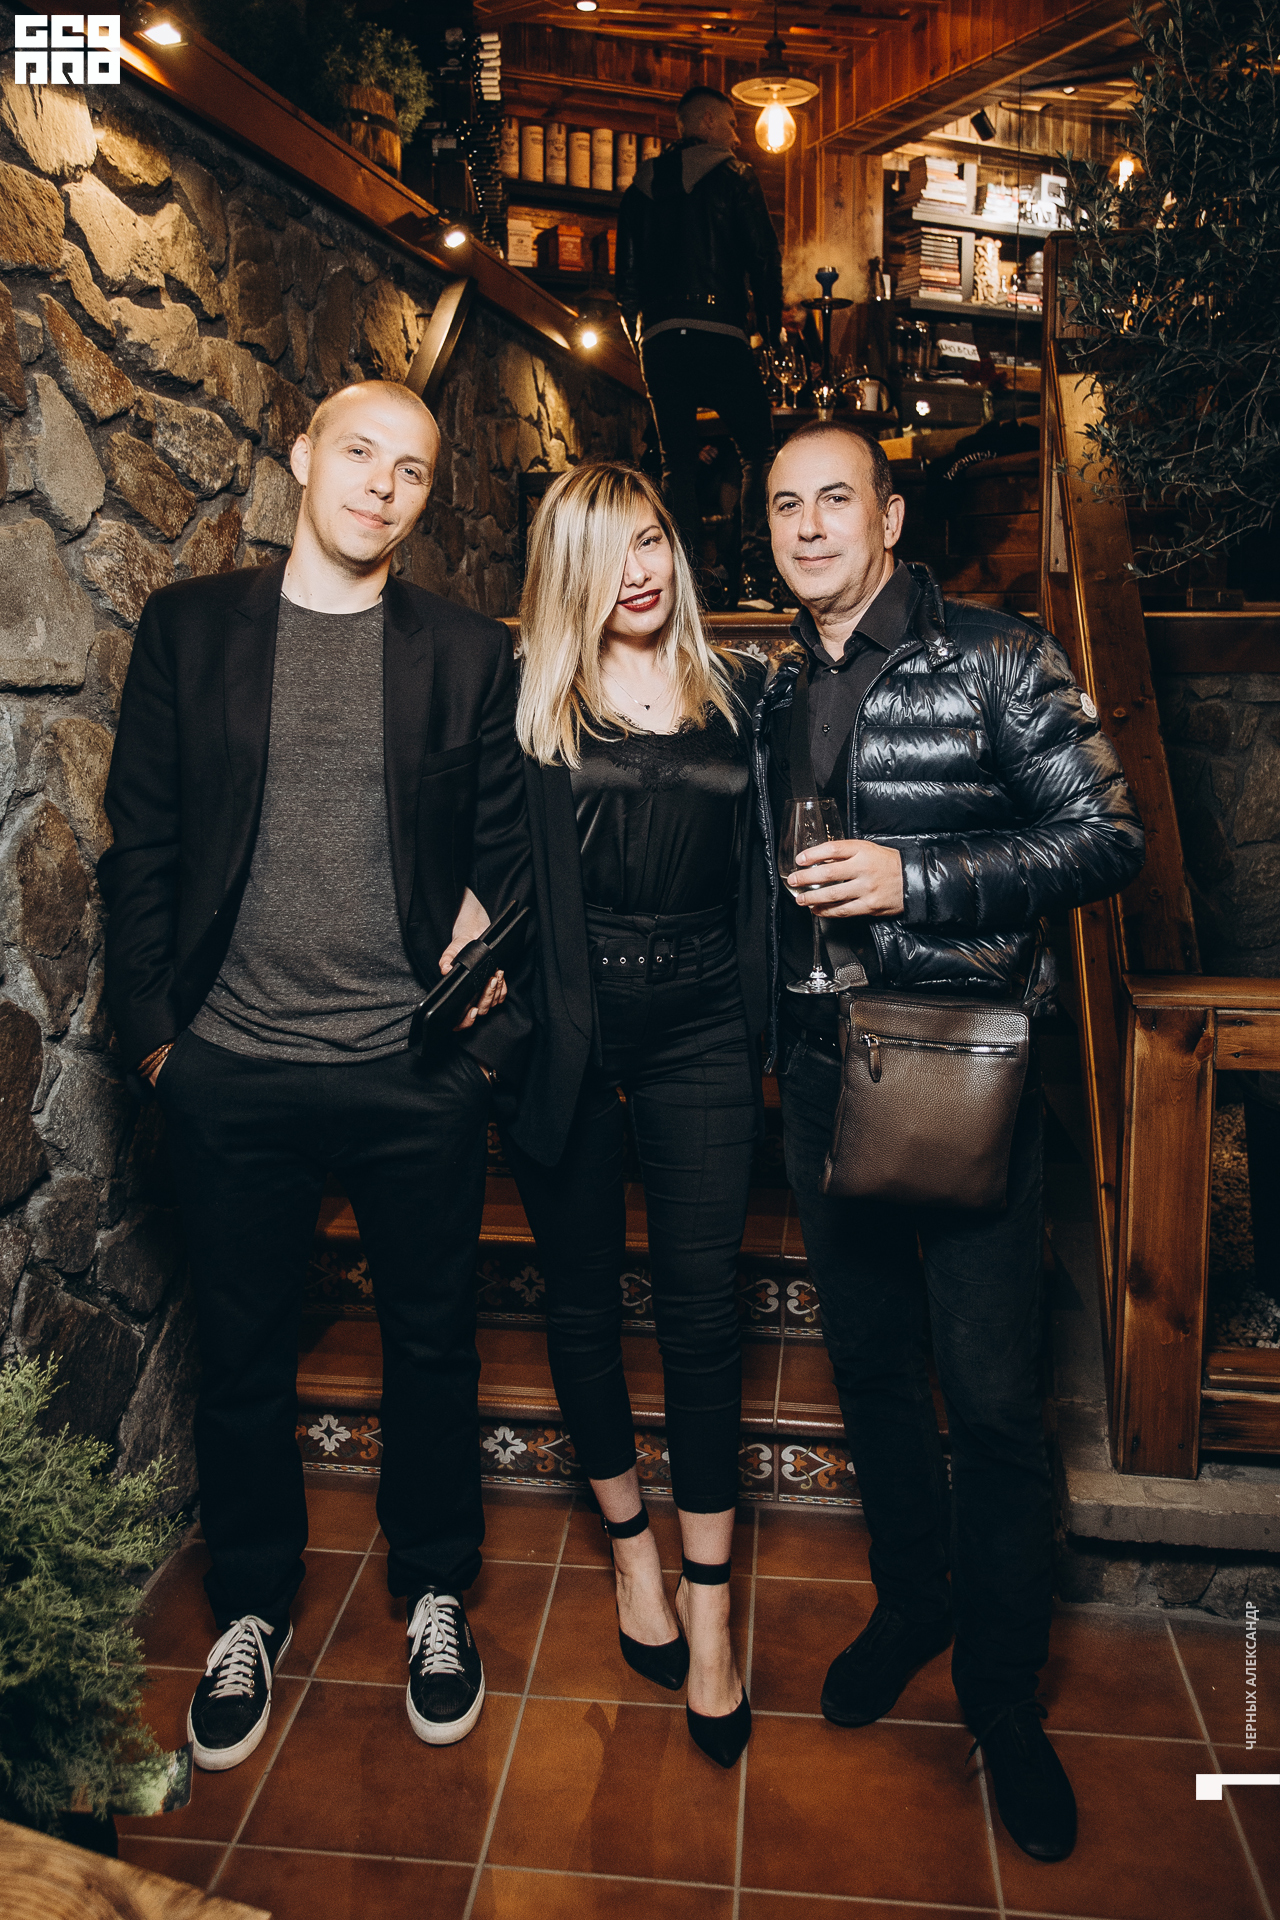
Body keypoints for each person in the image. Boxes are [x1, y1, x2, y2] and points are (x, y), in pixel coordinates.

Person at [100, 381, 532, 1769]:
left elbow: (513, 857)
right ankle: (248, 1606)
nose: (382, 487)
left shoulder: (468, 653)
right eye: (360, 453)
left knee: (432, 1346)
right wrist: (160, 1046)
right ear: (301, 456)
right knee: (241, 1357)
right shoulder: (190, 630)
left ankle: (435, 1590)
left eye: (412, 469)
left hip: (413, 1070)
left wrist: (482, 998)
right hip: (231, 1067)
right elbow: (141, 844)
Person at [754, 421, 1145, 1859]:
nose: (808, 527)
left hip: (953, 1072)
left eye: (834, 499)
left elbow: (1106, 839)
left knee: (987, 1402)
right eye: (784, 506)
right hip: (820, 1074)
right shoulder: (778, 682)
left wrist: (912, 877)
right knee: (869, 1370)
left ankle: (1000, 1697)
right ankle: (909, 1603)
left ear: (890, 517)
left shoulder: (999, 656)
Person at [502, 461, 767, 1769]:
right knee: (582, 1303)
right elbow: (466, 852)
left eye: (653, 538)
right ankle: (631, 1552)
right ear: (571, 572)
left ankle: (710, 1609)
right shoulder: (532, 706)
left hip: (706, 1025)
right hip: (569, 1034)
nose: (640, 570)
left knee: (703, 1312)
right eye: (610, 550)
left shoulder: (742, 695)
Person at [615, 85, 783, 611]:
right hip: (720, 331)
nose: (736, 137)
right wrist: (771, 329)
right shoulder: (735, 175)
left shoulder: (639, 187)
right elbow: (763, 256)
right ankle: (755, 582)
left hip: (660, 337)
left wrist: (642, 340)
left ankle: (684, 589)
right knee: (759, 450)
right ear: (707, 121)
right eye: (732, 124)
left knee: (677, 464)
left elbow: (625, 283)